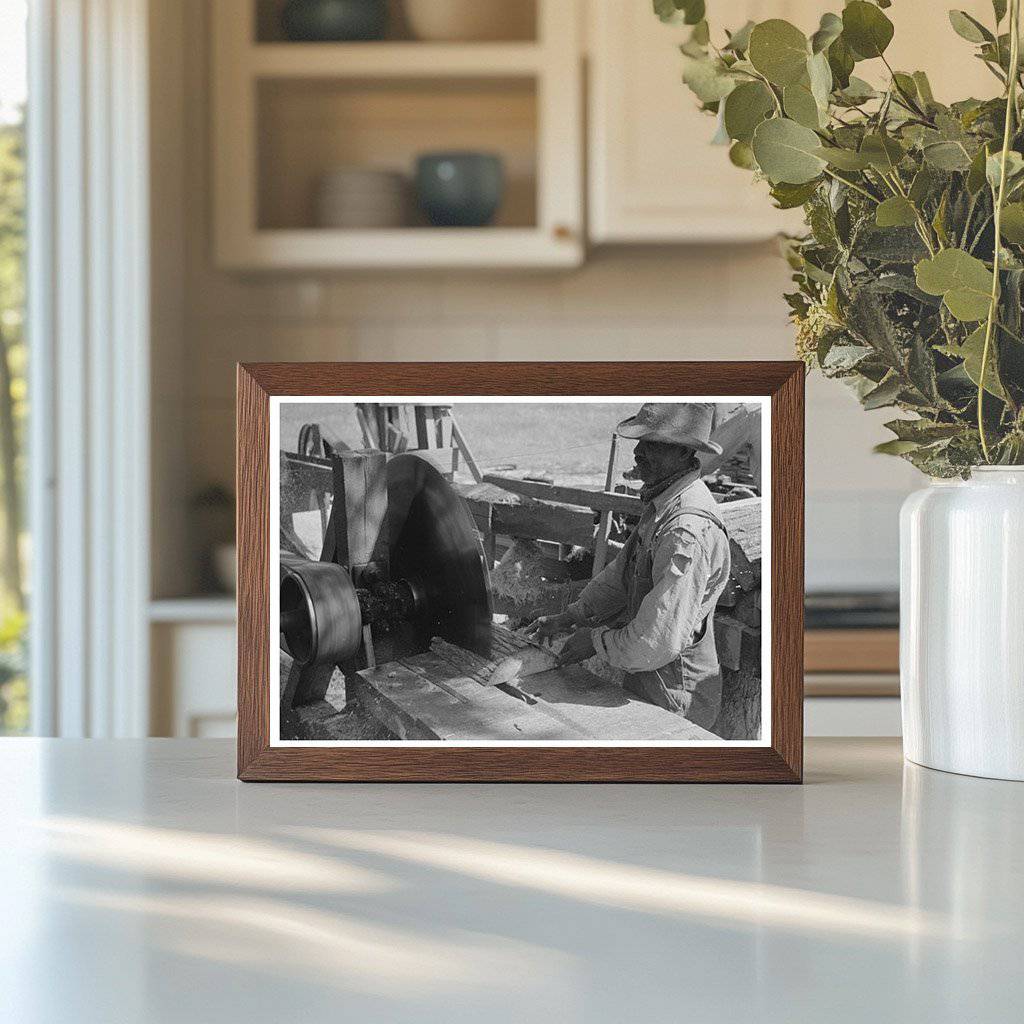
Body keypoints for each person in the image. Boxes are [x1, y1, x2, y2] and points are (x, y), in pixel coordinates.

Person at [524, 403, 732, 731]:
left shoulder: (685, 530)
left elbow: (657, 640)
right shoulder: (662, 505)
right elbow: (620, 577)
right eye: (640, 442)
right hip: (651, 674)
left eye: (652, 444)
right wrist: (572, 616)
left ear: (682, 452)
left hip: (676, 693)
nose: (637, 452)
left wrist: (593, 641)